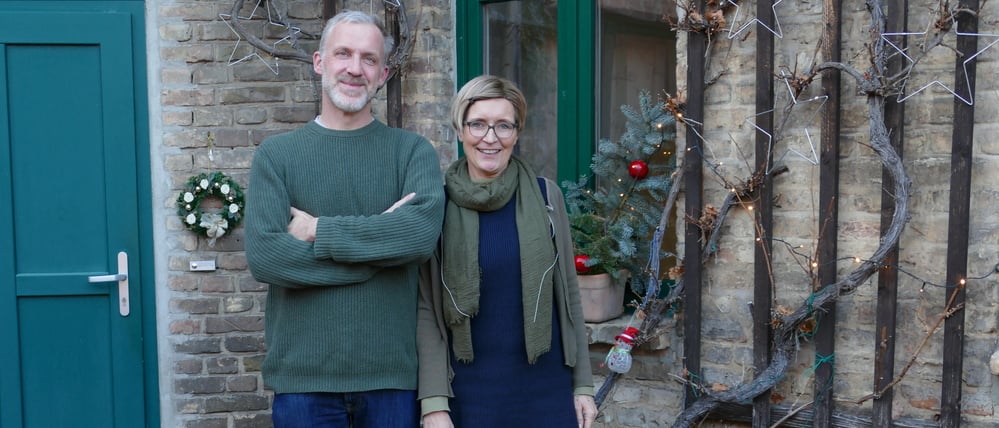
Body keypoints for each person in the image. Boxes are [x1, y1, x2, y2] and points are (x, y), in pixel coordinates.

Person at [244, 10, 445, 428]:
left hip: (390, 379)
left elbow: (418, 236)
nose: (355, 68)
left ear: (383, 73)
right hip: (303, 382)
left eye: (369, 59)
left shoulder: (412, 152)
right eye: (343, 54)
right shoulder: (277, 156)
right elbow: (266, 258)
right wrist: (378, 251)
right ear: (320, 62)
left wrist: (320, 231)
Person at [417, 75, 598, 428]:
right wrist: (434, 403)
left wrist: (583, 385)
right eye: (478, 124)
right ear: (459, 129)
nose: (490, 138)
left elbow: (569, 297)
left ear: (517, 133)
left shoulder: (547, 198)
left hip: (547, 390)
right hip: (468, 393)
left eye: (503, 126)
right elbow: (427, 310)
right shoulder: (436, 205)